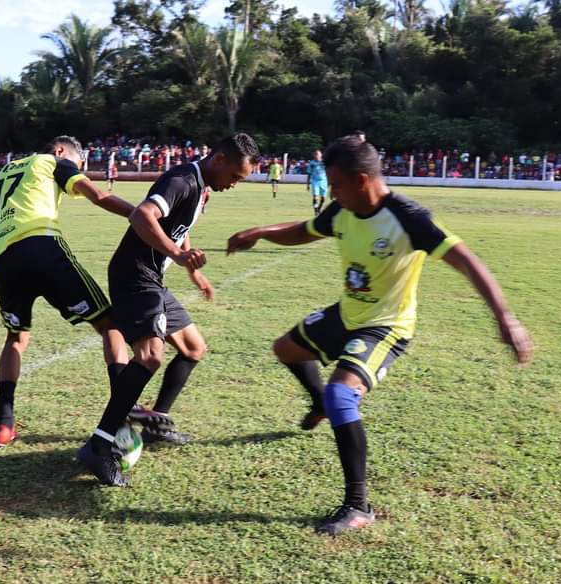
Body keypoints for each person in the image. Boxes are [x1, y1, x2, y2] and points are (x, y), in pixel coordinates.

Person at [227, 135, 533, 535]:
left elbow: (467, 261)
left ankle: (358, 506)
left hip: (386, 326)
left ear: (360, 180)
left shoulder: (408, 218)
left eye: (335, 185)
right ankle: (321, 405)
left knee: (342, 394)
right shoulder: (343, 210)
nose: (331, 193)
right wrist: (261, 231)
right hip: (347, 314)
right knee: (286, 349)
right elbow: (305, 230)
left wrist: (505, 319)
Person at [77, 133, 260, 487]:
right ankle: (99, 445)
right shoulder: (182, 180)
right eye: (236, 176)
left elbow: (180, 228)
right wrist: (177, 256)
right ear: (219, 160)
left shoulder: (202, 187)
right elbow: (143, 216)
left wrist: (194, 271)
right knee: (149, 356)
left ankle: (157, 419)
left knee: (194, 348)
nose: (235, 184)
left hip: (154, 280)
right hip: (134, 275)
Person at [0, 135, 135, 450]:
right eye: (78, 165)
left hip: (2, 261)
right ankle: (123, 414)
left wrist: (7, 253)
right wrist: (141, 214)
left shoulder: (8, 171)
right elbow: (99, 196)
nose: (76, 171)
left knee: (16, 338)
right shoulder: (52, 161)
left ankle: (4, 424)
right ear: (61, 151)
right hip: (42, 246)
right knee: (109, 323)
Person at [307, 149, 328, 216]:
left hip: (324, 182)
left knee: (323, 198)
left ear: (321, 155)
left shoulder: (324, 162)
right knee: (315, 196)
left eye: (318, 154)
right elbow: (309, 173)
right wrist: (307, 184)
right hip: (315, 181)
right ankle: (316, 211)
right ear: (313, 155)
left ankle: (319, 208)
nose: (316, 155)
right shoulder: (311, 163)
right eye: (315, 154)